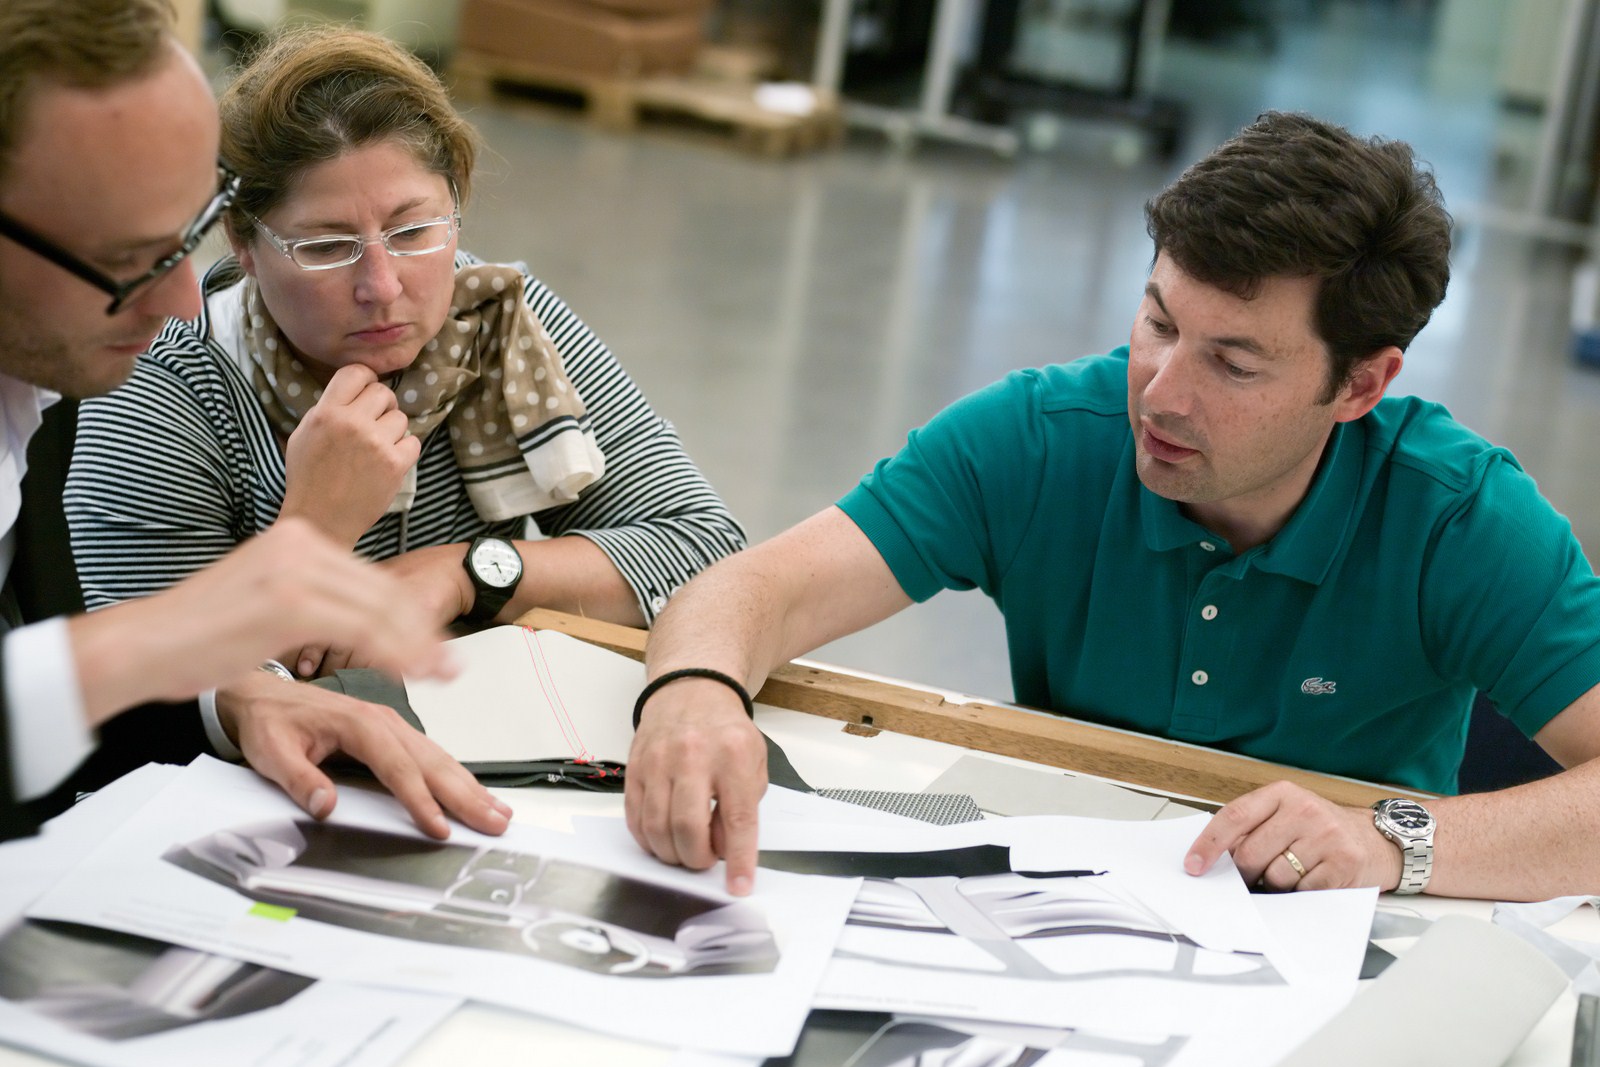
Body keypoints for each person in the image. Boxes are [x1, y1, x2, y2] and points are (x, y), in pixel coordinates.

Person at [624, 111, 1600, 903]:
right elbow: (756, 590)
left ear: (1359, 386)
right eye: (1158, 322)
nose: (1161, 395)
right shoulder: (1042, 437)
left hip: (1345, 928)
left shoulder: (1459, 519)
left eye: (1233, 363)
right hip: (1061, 900)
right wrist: (695, 693)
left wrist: (1389, 843)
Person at [65, 26, 744, 684]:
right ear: (243, 245)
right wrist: (315, 528)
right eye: (327, 247)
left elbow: (704, 550)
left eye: (414, 230)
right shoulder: (169, 385)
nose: (383, 287)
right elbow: (148, 690)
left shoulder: (499, 324)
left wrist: (461, 574)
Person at [0, 0, 510, 843]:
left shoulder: (44, 377)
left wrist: (234, 700)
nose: (179, 302)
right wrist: (195, 624)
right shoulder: (149, 386)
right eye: (126, 262)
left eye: (185, 239)